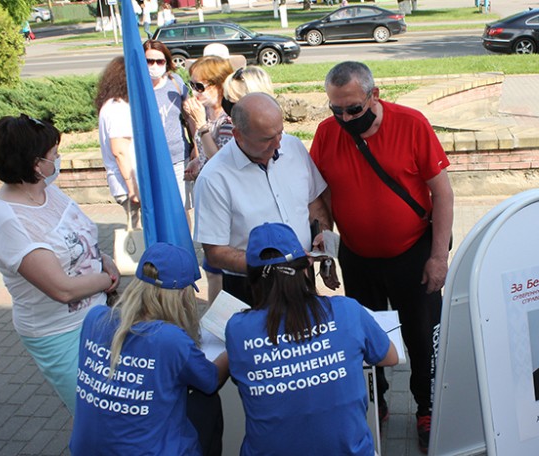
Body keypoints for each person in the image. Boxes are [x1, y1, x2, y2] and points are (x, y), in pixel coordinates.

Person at [309, 61, 454, 454]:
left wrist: (438, 256)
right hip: (359, 256)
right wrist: (325, 247)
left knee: (422, 337)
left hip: (414, 252)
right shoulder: (326, 134)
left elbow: (442, 193)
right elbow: (319, 198)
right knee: (366, 335)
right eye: (336, 110)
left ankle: (426, 407)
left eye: (353, 109)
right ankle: (377, 401)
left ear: (375, 95)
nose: (344, 118)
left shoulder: (411, 124)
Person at [226, 222, 398, 455]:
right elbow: (390, 357)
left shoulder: (238, 330)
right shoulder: (346, 310)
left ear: (252, 277)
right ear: (307, 265)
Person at [0, 115, 119, 415]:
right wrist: (106, 277)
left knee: (115, 405)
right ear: (35, 164)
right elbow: (61, 289)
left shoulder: (46, 189)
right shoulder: (10, 222)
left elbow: (77, 237)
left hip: (97, 315)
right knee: (95, 414)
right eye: (53, 155)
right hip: (61, 333)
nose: (59, 159)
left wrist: (102, 259)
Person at [69, 242, 229, 455]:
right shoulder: (170, 339)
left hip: (89, 449)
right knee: (206, 403)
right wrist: (233, 346)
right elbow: (211, 380)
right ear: (181, 294)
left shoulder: (95, 318)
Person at [193, 93, 331, 305]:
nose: (277, 144)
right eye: (266, 139)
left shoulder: (292, 147)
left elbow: (314, 202)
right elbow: (215, 253)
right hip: (252, 286)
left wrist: (323, 238)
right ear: (238, 135)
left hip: (302, 278)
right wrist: (274, 264)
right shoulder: (214, 178)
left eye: (280, 132)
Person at [182, 55, 234, 304]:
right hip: (209, 202)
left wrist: (202, 127)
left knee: (220, 272)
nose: (195, 92)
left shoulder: (228, 120)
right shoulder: (207, 116)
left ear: (219, 85)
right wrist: (196, 162)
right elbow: (206, 155)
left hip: (225, 205)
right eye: (191, 85)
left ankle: (223, 325)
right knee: (211, 270)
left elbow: (223, 165)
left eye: (199, 86)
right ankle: (216, 324)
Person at [143, 39, 195, 212]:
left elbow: (190, 117)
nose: (155, 65)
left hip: (179, 157)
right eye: (149, 61)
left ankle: (184, 240)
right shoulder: (137, 88)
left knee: (181, 209)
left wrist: (195, 146)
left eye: (160, 61)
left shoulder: (175, 82)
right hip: (150, 161)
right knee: (158, 210)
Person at [95, 56, 141, 229]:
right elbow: (120, 151)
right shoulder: (118, 108)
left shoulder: (112, 105)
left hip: (127, 183)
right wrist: (132, 188)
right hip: (129, 185)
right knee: (137, 234)